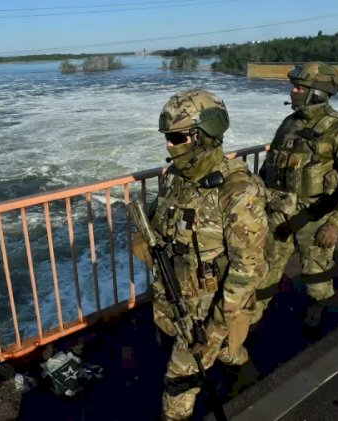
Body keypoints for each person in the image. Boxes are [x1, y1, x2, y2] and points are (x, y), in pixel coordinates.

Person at [132, 89, 268, 420]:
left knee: (178, 384)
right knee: (226, 355)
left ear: (203, 136)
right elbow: (161, 224)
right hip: (175, 297)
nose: (169, 145)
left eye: (177, 137)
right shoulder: (177, 179)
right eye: (168, 137)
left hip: (208, 315)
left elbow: (248, 269)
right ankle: (247, 375)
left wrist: (215, 330)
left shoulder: (236, 191)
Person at [257, 61, 338, 328]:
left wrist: (336, 223)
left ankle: (318, 307)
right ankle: (252, 321)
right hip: (279, 215)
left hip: (315, 217)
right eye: (294, 87)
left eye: (300, 87)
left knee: (316, 275)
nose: (293, 92)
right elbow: (269, 166)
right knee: (265, 271)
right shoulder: (289, 123)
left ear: (317, 93)